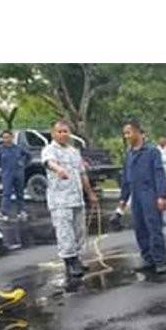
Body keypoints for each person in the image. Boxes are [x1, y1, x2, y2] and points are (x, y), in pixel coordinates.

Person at [41, 119, 99, 282]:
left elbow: (82, 174)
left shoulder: (74, 151)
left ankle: (77, 258)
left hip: (77, 198)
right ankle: (69, 262)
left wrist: (90, 193)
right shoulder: (49, 150)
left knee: (79, 231)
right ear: (53, 133)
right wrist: (59, 169)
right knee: (65, 232)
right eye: (59, 131)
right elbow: (49, 163)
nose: (63, 134)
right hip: (60, 201)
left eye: (65, 131)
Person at [119, 119, 166, 274]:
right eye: (125, 134)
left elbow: (159, 173)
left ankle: (160, 260)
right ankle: (148, 258)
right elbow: (127, 179)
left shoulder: (151, 151)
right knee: (140, 228)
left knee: (154, 228)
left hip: (149, 193)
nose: (126, 136)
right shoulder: (129, 154)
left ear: (138, 132)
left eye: (129, 133)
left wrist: (161, 196)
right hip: (136, 195)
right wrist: (123, 199)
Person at [0, 130, 31, 222]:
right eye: (4, 137)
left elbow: (29, 156)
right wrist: (3, 168)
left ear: (12, 137)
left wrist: (23, 164)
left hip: (19, 174)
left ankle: (21, 212)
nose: (6, 139)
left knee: (20, 194)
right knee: (6, 194)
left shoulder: (18, 148)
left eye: (8, 137)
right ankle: (4, 213)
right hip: (7, 174)